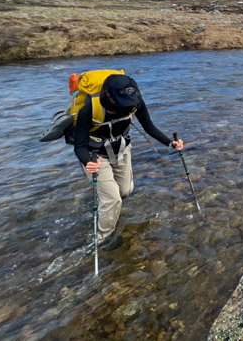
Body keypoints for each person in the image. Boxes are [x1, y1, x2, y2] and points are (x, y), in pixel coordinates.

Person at [73, 74, 183, 243]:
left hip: (121, 150)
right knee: (113, 199)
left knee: (125, 191)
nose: (125, 107)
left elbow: (149, 126)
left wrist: (170, 143)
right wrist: (87, 162)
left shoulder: (134, 101)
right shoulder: (89, 109)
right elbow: (79, 145)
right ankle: (102, 239)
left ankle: (109, 208)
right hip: (95, 156)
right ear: (108, 98)